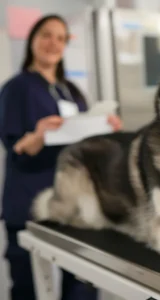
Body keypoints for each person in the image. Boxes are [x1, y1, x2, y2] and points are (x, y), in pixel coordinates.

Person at [0, 14, 122, 300]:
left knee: (82, 282)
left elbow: (88, 145)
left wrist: (107, 127)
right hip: (29, 202)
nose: (53, 42)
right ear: (32, 41)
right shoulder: (16, 88)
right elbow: (15, 148)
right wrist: (38, 135)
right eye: (46, 35)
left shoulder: (72, 91)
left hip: (72, 203)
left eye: (60, 37)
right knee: (27, 284)